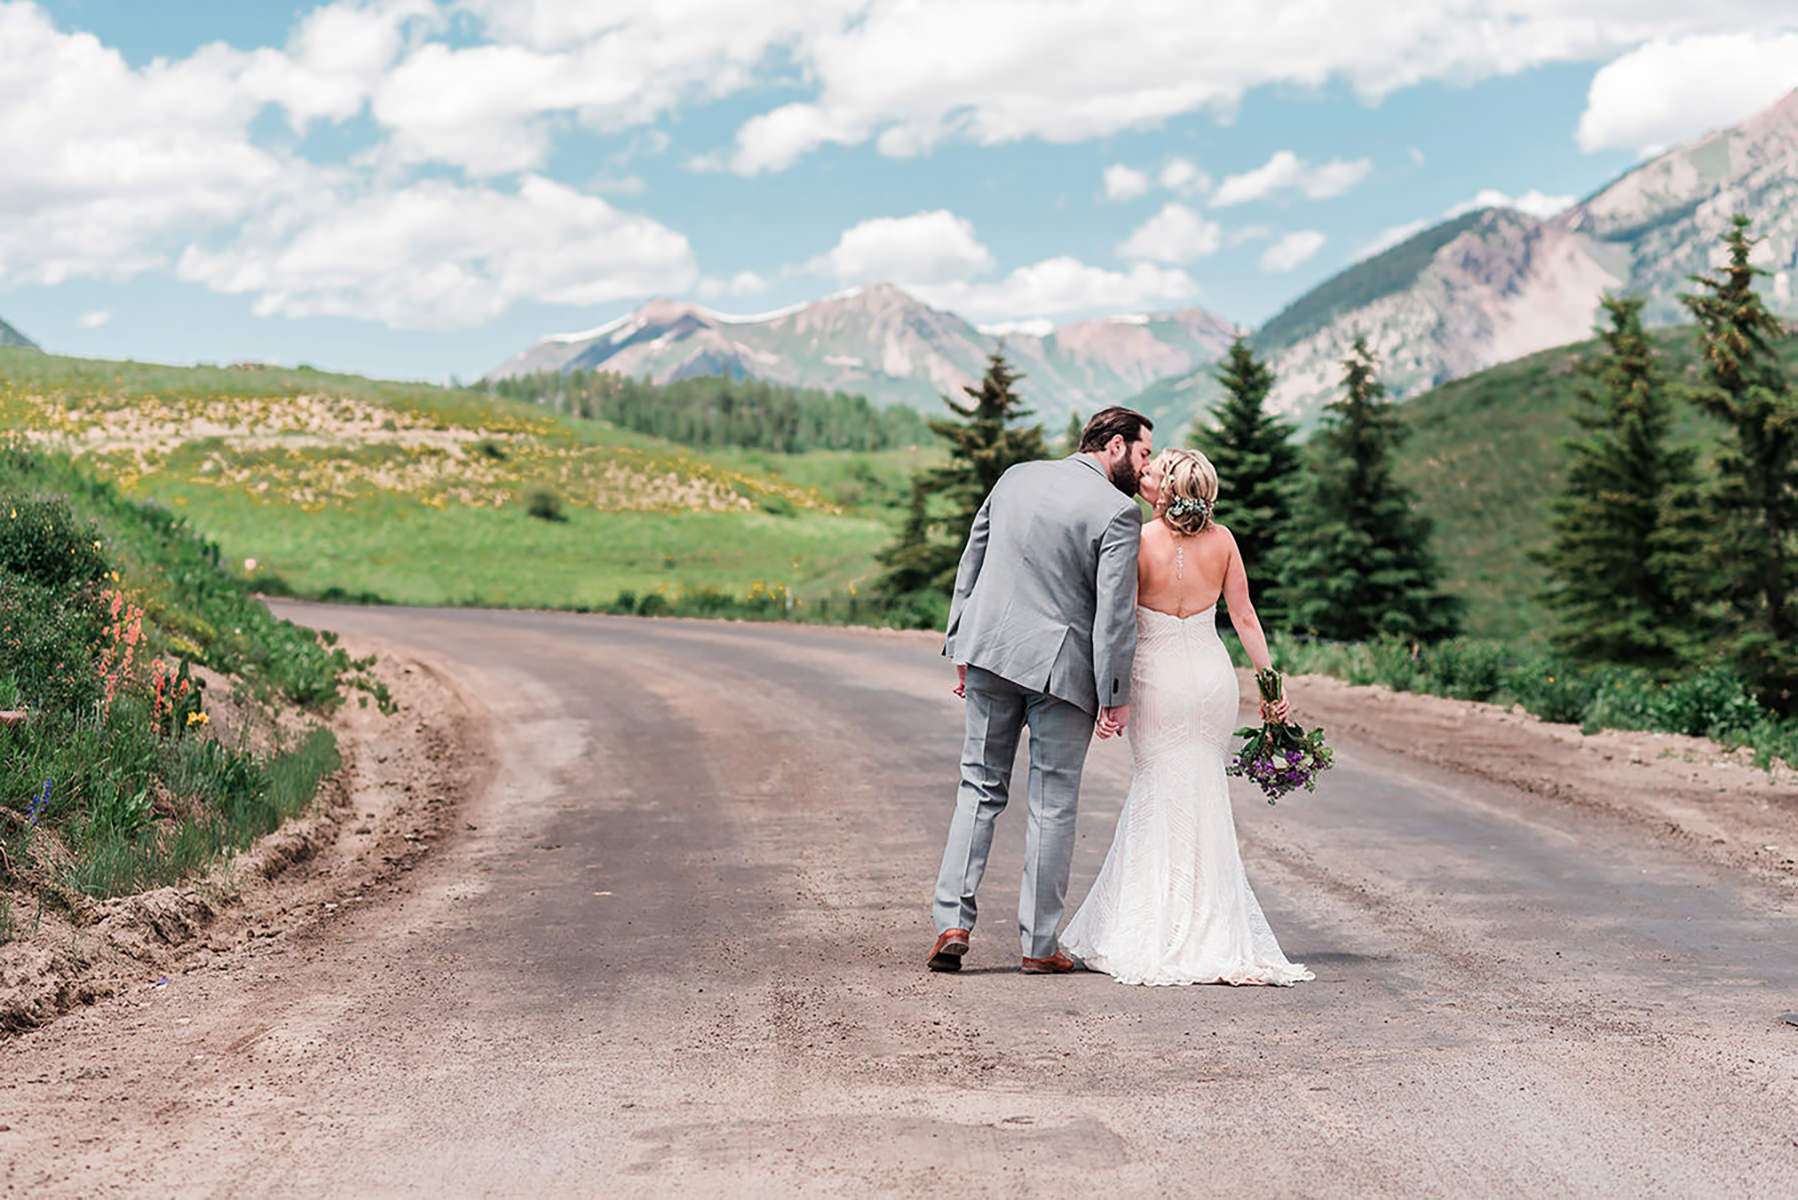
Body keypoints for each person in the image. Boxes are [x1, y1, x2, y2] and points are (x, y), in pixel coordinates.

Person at [1060, 447, 1313, 986]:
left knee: (1158, 789)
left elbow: (1120, 622)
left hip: (1157, 680)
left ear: (1166, 492)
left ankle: (1154, 923)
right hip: (1211, 681)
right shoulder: (1223, 543)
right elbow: (1244, 617)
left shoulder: (1138, 540)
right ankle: (1213, 927)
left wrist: (1110, 694)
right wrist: (1271, 687)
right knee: (1203, 791)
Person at [928, 407, 1153, 974]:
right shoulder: (1118, 512)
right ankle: (1038, 946)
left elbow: (972, 561)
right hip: (1059, 674)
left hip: (989, 652)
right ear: (1117, 446)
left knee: (977, 787)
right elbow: (1114, 617)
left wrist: (960, 642)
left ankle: (952, 922)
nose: (1145, 467)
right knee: (1052, 805)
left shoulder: (1014, 476)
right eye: (1145, 453)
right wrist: (1115, 692)